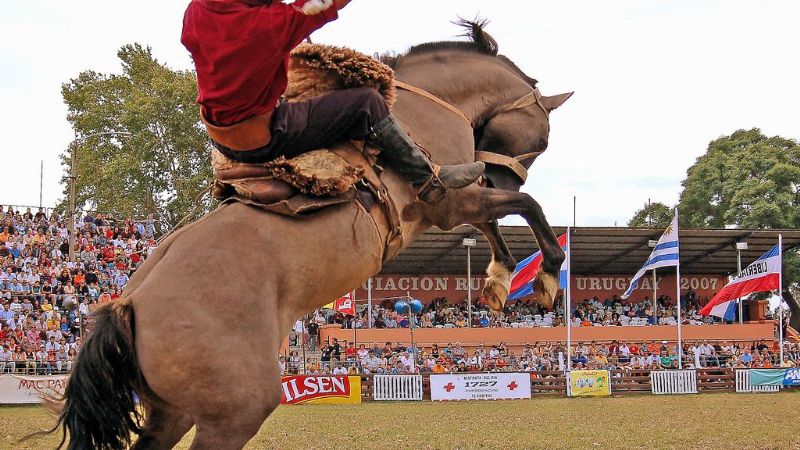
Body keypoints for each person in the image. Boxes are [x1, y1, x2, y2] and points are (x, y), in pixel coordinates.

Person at [180, 0, 484, 205]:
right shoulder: (271, 26)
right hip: (264, 138)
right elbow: (322, 4)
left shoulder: (198, 11)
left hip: (220, 135)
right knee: (367, 101)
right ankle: (427, 181)